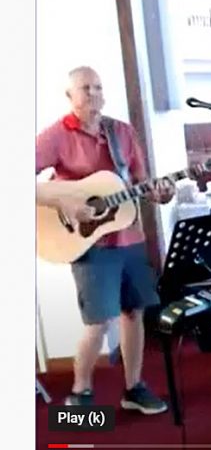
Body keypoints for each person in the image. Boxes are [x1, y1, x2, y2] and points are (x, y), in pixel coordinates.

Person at [35, 66, 172, 413]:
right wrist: (63, 200)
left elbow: (141, 180)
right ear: (70, 96)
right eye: (85, 87)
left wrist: (161, 192)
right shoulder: (56, 136)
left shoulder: (121, 132)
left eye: (98, 86)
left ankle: (134, 388)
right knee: (98, 322)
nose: (94, 93)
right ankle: (81, 391)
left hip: (129, 236)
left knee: (133, 312)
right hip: (88, 242)